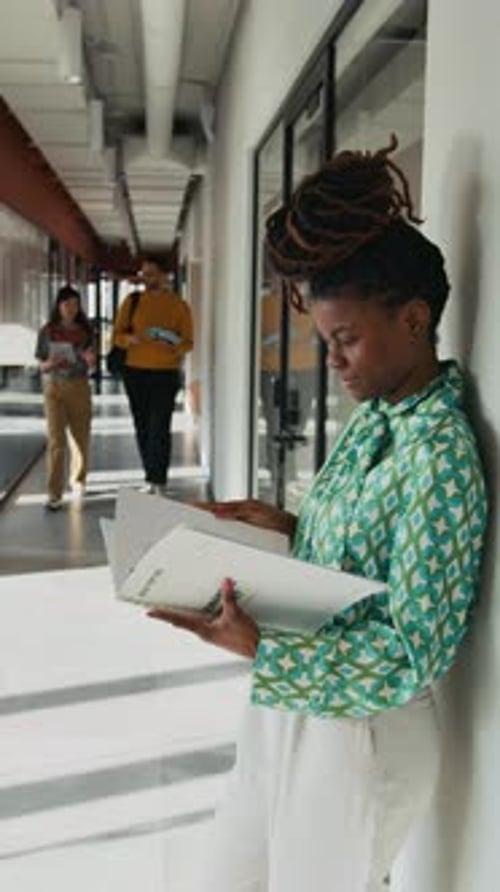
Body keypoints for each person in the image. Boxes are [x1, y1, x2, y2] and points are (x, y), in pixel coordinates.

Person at [147, 137, 488, 891]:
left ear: (413, 319)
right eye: (326, 341)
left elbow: (414, 650)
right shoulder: (377, 419)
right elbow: (366, 559)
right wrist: (288, 529)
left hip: (363, 733)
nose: (333, 361)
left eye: (346, 339)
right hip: (294, 700)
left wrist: (263, 649)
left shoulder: (441, 455)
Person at [112, 257, 194, 494]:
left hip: (165, 373)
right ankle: (151, 477)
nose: (146, 279)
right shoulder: (132, 301)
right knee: (142, 425)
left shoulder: (179, 306)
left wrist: (173, 344)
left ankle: (159, 480)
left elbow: (188, 343)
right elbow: (116, 336)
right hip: (134, 371)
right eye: (144, 274)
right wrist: (129, 339)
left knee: (160, 426)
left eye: (151, 273)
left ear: (164, 276)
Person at [35, 285, 95, 511]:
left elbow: (92, 365)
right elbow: (41, 365)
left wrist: (90, 361)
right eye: (67, 304)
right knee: (56, 441)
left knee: (80, 437)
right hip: (54, 387)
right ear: (58, 306)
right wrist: (51, 363)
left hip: (79, 386)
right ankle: (54, 493)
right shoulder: (47, 331)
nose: (71, 308)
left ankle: (78, 481)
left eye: (75, 304)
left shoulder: (85, 331)